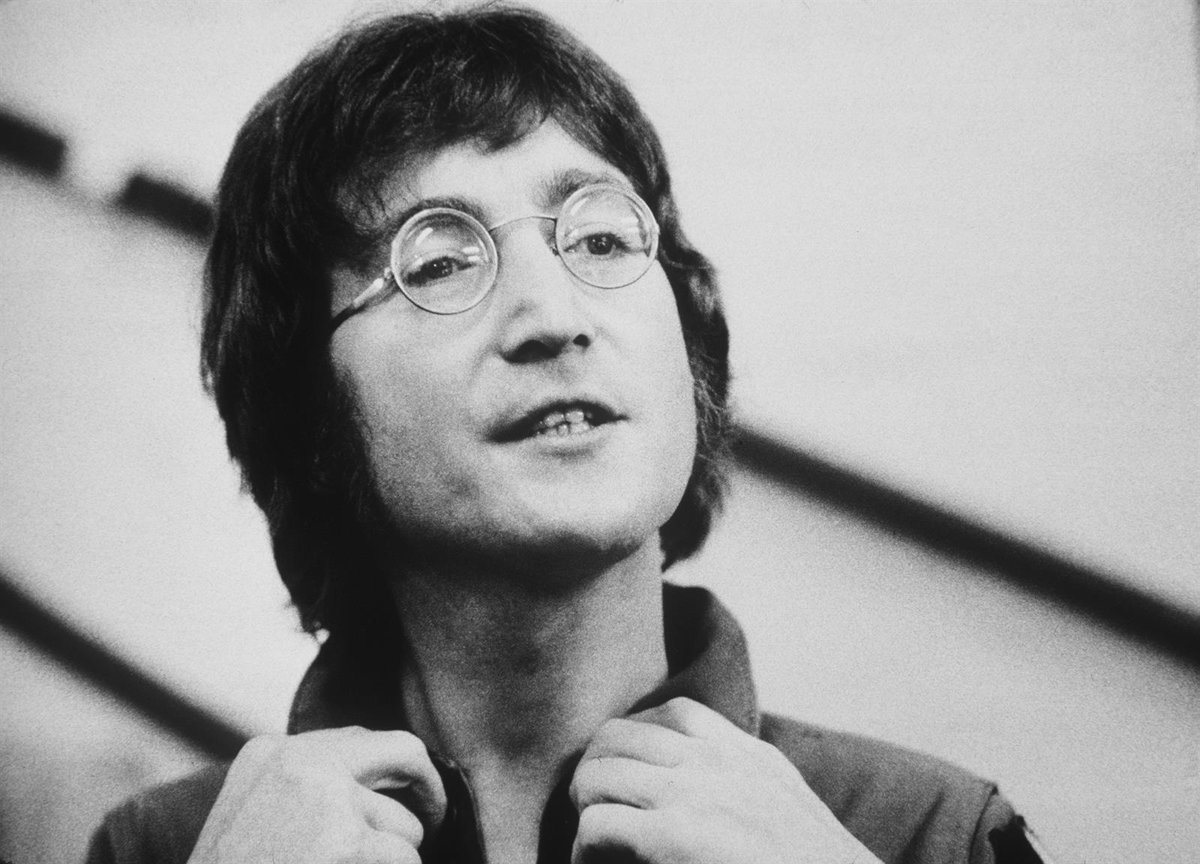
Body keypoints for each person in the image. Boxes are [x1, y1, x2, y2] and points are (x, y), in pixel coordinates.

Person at [87, 6, 1049, 864]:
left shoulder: (929, 835)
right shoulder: (169, 849)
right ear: (306, 409)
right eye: (441, 260)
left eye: (600, 238)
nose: (553, 316)